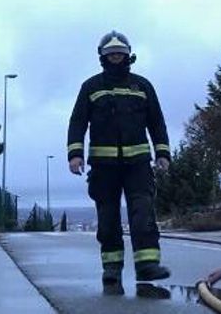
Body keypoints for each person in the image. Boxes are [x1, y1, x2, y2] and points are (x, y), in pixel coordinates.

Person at [67, 31, 171, 292]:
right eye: (111, 54)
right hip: (103, 168)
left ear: (128, 55)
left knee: (143, 212)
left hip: (138, 164)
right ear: (103, 57)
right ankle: (112, 269)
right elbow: (77, 121)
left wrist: (163, 153)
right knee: (108, 218)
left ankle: (147, 265)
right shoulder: (91, 87)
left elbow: (157, 122)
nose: (116, 57)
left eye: (120, 54)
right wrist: (75, 154)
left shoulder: (142, 86)